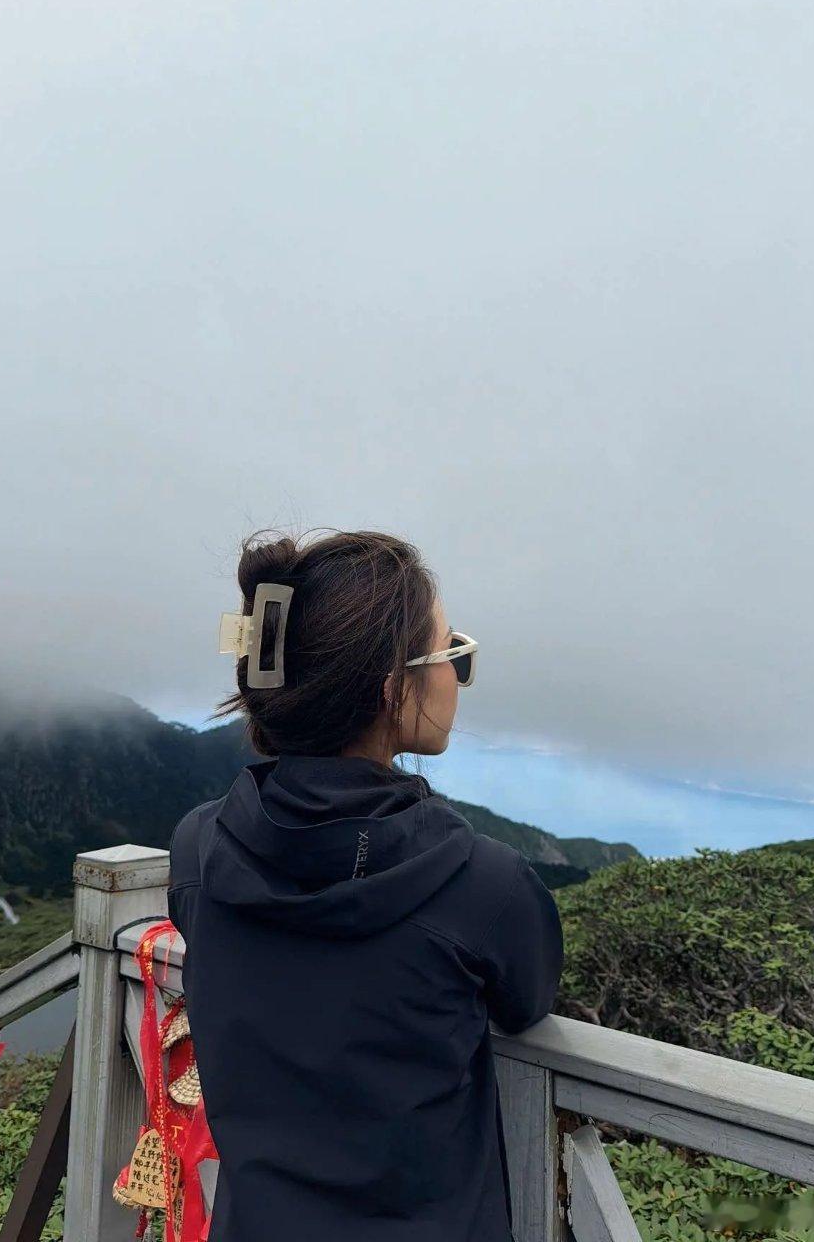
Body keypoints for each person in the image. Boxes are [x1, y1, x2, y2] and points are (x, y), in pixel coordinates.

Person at [168, 528, 564, 1242]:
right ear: (392, 689)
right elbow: (528, 1002)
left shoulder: (200, 849)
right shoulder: (484, 886)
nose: (459, 673)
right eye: (451, 654)